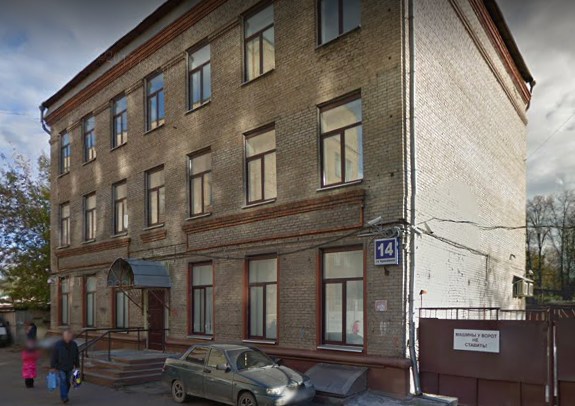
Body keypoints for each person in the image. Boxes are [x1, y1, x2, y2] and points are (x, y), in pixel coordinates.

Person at [50, 329, 79, 404]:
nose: (68, 337)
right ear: (63, 336)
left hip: (70, 366)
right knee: (63, 381)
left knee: (67, 382)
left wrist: (77, 365)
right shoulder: (58, 344)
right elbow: (54, 356)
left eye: (69, 335)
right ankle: (64, 397)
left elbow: (76, 355)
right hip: (60, 366)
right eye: (67, 335)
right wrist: (52, 367)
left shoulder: (74, 344)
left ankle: (65, 393)